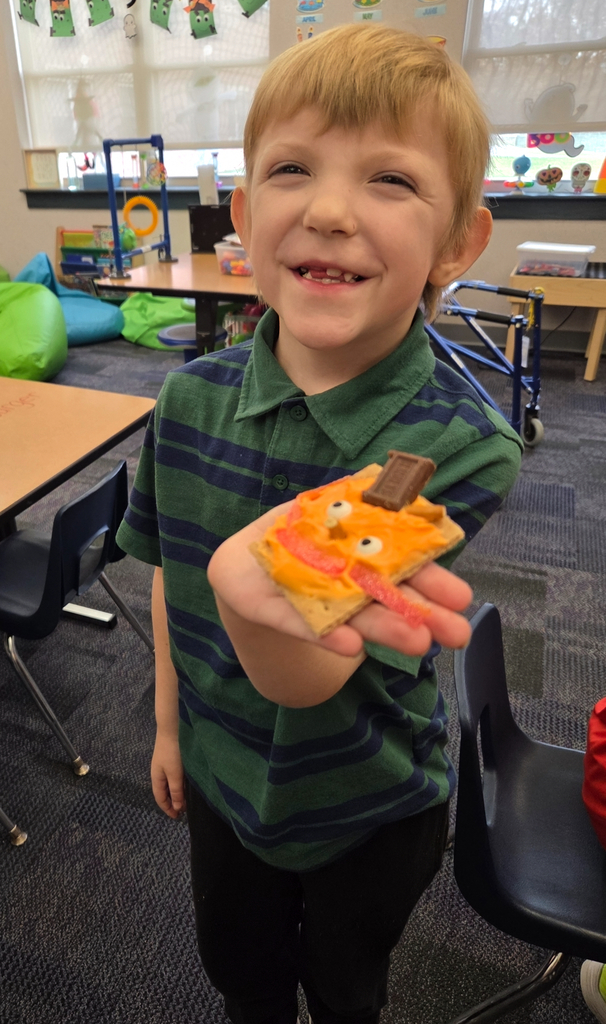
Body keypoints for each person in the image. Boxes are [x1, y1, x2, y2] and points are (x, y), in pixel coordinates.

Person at [116, 24, 523, 1024]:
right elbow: (170, 576)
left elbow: (309, 662)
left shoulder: (444, 447)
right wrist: (169, 724)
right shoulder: (186, 401)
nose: (331, 210)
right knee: (240, 978)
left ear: (456, 242)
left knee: (344, 994)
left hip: (362, 802)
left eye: (389, 181)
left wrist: (251, 595)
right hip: (220, 776)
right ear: (247, 216)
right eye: (293, 169)